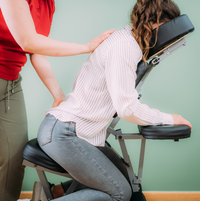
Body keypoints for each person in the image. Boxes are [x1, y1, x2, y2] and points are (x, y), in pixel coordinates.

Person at [36, 0, 192, 201]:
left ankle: (53, 193)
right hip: (64, 133)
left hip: (73, 131)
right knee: (120, 194)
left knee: (128, 182)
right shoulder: (125, 46)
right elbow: (127, 108)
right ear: (154, 24)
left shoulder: (128, 42)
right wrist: (169, 118)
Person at [0, 1, 114, 201]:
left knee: (13, 159)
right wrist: (85, 47)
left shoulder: (47, 5)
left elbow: (36, 50)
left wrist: (58, 95)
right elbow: (28, 41)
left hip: (10, 83)